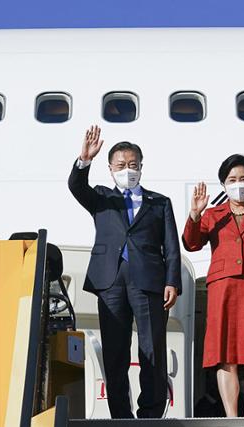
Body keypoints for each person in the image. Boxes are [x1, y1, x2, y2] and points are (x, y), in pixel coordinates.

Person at [68, 125, 182, 419]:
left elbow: (171, 247)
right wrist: (84, 160)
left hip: (149, 282)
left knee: (153, 350)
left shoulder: (160, 202)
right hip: (111, 283)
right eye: (121, 165)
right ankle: (120, 415)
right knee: (116, 352)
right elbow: (76, 187)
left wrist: (172, 282)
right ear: (110, 168)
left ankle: (151, 413)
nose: (127, 170)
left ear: (141, 167)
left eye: (133, 165)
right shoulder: (101, 198)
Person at [181, 154, 244, 418]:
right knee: (224, 353)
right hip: (222, 288)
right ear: (223, 184)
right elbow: (192, 243)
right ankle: (231, 416)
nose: (238, 184)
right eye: (232, 180)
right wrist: (195, 214)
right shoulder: (213, 214)